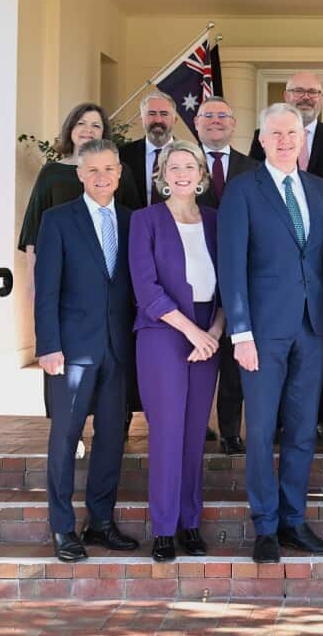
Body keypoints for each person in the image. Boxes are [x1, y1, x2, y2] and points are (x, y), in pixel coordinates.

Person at [218, 102, 323, 564]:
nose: (287, 140)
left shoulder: (320, 189)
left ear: (302, 138)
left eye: (294, 132)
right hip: (262, 333)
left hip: (312, 329)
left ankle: (294, 521)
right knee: (262, 429)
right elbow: (231, 266)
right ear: (263, 139)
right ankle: (265, 525)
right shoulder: (242, 190)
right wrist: (241, 332)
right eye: (277, 133)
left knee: (302, 432)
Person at [33, 138, 140, 562]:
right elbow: (47, 291)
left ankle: (101, 521)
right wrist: (48, 345)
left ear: (119, 173)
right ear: (79, 174)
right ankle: (62, 528)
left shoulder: (134, 221)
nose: (102, 177)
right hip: (72, 350)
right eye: (93, 170)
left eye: (109, 169)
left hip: (119, 348)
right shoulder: (57, 220)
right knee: (65, 438)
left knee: (112, 438)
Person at [248, 72, 323, 450]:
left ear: (322, 97)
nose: (306, 96)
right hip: (271, 299)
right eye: (299, 90)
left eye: (313, 91)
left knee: (317, 375)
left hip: (320, 270)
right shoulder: (255, 164)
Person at [129, 141, 225, 562]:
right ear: (162, 174)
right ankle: (164, 528)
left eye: (190, 166)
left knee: (193, 435)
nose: (182, 173)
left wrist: (216, 332)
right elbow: (145, 288)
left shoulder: (216, 221)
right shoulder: (145, 220)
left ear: (201, 173)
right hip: (164, 331)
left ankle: (189, 523)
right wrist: (193, 332)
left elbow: (230, 285)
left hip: (209, 333)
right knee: (167, 433)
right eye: (174, 166)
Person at [19, 103, 142, 429]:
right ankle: (69, 430)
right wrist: (34, 279)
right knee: (65, 363)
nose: (88, 130)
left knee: (115, 363)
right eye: (82, 124)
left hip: (109, 280)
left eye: (96, 126)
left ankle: (118, 423)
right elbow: (33, 233)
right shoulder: (52, 172)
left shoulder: (121, 173)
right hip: (63, 279)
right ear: (70, 129)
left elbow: (133, 222)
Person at [195, 97, 257, 456]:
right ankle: (197, 423)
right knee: (198, 351)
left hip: (243, 271)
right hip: (194, 272)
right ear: (197, 122)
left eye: (223, 116)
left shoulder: (252, 168)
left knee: (235, 354)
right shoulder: (182, 162)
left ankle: (231, 430)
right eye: (208, 116)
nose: (216, 121)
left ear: (234, 125)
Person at [121, 91, 179, 206]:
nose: (158, 120)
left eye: (164, 114)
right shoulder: (123, 155)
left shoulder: (190, 155)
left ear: (175, 120)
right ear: (141, 119)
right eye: (151, 114)